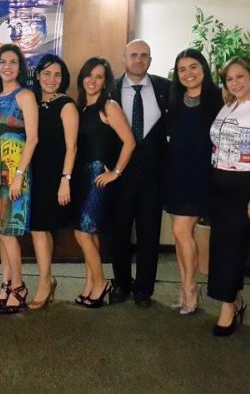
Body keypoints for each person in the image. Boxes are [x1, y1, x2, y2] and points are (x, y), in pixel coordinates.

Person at [207, 57, 250, 336]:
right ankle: (232, 299)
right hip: (219, 183)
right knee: (221, 247)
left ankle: (228, 308)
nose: (235, 83)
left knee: (232, 248)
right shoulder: (228, 105)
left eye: (240, 77)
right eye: (230, 79)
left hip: (244, 185)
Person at [108, 40, 171, 308]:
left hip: (153, 177)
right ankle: (121, 283)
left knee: (149, 234)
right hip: (119, 175)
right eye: (133, 55)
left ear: (150, 60)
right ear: (123, 59)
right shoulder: (109, 90)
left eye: (144, 55)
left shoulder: (166, 89)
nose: (138, 60)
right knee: (119, 233)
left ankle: (144, 289)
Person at [72, 57, 135, 308]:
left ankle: (101, 283)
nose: (93, 80)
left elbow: (129, 142)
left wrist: (116, 172)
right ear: (82, 78)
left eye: (99, 76)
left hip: (98, 178)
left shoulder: (109, 106)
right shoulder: (79, 107)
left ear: (105, 81)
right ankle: (90, 283)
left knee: (83, 232)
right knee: (89, 232)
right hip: (80, 177)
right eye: (89, 75)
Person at [164, 48, 223, 315]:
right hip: (176, 174)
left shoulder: (219, 99)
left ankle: (190, 288)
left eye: (194, 67)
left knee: (181, 232)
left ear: (204, 68)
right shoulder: (174, 101)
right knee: (180, 235)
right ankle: (186, 285)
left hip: (202, 175)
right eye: (182, 69)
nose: (188, 74)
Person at [0, 44, 38, 314]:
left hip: (17, 175)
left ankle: (18, 287)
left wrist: (18, 176)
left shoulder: (25, 96)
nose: (7, 66)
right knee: (1, 235)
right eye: (3, 62)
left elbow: (33, 138)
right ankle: (6, 285)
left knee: (9, 234)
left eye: (13, 62)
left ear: (20, 67)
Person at [28, 54, 78, 309]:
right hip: (33, 174)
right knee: (40, 229)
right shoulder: (32, 102)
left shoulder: (66, 104)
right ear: (37, 75)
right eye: (46, 73)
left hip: (55, 177)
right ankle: (47, 279)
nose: (51, 79)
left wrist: (65, 180)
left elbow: (72, 147)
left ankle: (45, 282)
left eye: (57, 74)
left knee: (41, 228)